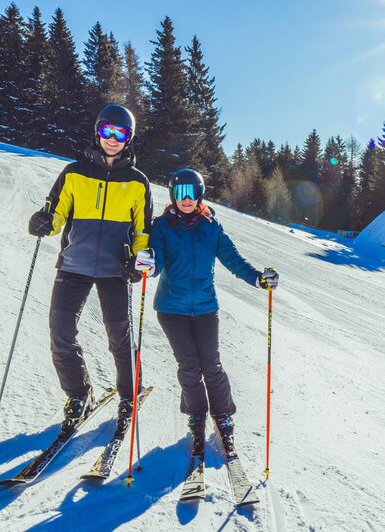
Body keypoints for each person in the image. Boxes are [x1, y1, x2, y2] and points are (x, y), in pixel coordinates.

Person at [134, 169, 279, 458]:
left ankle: (223, 415)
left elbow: (233, 259)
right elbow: (157, 259)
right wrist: (149, 264)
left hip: (204, 308)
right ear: (173, 196)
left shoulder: (211, 226)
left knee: (211, 365)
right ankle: (196, 415)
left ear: (200, 194)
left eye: (191, 193)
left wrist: (257, 279)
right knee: (188, 366)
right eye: (180, 193)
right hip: (171, 309)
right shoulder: (161, 225)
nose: (186, 199)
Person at [27, 104, 153, 430]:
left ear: (129, 139)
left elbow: (142, 231)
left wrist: (137, 263)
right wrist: (44, 222)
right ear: (97, 132)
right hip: (74, 265)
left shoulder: (137, 182)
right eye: (107, 131)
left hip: (115, 270)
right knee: (61, 332)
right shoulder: (74, 173)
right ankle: (78, 394)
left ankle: (129, 393)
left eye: (120, 134)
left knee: (119, 336)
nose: (112, 139)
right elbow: (56, 214)